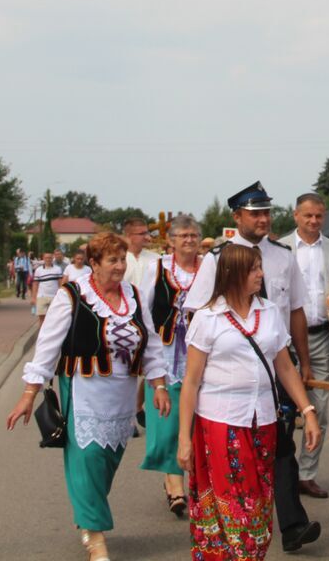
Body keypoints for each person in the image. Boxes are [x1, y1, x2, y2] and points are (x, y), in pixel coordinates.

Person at [7, 232, 170, 561]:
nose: (120, 266)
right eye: (112, 260)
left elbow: (151, 343)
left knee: (107, 461)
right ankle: (95, 538)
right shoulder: (72, 295)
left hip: (122, 396)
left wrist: (159, 385)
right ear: (93, 264)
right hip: (83, 391)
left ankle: (88, 514)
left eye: (122, 259)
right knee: (88, 459)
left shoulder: (134, 295)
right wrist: (29, 393)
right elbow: (48, 347)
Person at [185, 181, 320, 553]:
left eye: (266, 212)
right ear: (237, 216)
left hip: (274, 360)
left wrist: (303, 362)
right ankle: (248, 531)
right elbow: (198, 314)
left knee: (282, 446)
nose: (262, 219)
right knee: (244, 463)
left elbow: (294, 310)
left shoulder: (282, 255)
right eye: (255, 213)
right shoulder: (218, 259)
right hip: (228, 370)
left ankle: (290, 524)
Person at [138, 215, 204, 517]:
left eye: (194, 235)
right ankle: (173, 483)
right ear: (171, 241)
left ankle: (185, 480)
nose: (189, 240)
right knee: (167, 420)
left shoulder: (209, 269)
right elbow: (143, 309)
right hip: (165, 353)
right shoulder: (157, 269)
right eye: (184, 236)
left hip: (200, 351)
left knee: (194, 418)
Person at [280, 193, 329, 498]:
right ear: (296, 216)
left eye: (319, 216)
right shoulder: (280, 249)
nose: (314, 221)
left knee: (320, 409)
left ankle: (306, 473)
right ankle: (279, 471)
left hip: (321, 338)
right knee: (281, 411)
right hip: (282, 341)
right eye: (308, 216)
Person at [122, 216, 160, 290]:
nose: (147, 237)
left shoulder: (157, 259)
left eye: (147, 233)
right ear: (129, 235)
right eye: (142, 234)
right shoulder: (119, 260)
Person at [31, 251, 65, 327]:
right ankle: (42, 336)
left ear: (52, 258)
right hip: (41, 296)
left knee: (54, 318)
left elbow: (60, 283)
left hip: (54, 296)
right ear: (43, 258)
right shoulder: (38, 270)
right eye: (46, 258)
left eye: (50, 257)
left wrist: (60, 295)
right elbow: (35, 284)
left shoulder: (57, 269)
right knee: (42, 318)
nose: (48, 259)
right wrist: (33, 297)